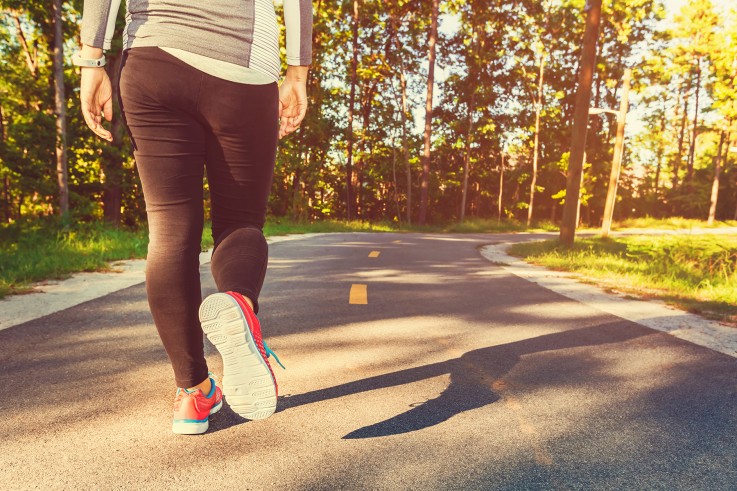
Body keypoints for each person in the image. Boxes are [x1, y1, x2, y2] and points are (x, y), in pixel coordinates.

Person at [77, 0, 312, 435]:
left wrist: (92, 60)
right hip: (243, 69)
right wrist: (297, 74)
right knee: (240, 222)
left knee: (169, 232)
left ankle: (194, 393)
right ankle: (238, 302)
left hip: (153, 59)